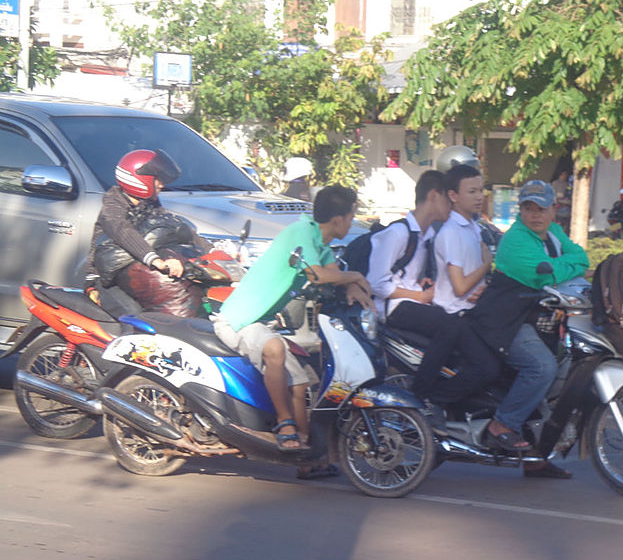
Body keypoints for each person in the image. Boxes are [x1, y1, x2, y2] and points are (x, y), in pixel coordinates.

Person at [212, 186, 373, 463]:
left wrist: (355, 288)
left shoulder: (320, 245)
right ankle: (285, 425)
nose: (352, 221)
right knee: (275, 349)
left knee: (300, 382)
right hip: (239, 320)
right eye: (351, 215)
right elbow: (318, 275)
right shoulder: (300, 233)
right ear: (337, 220)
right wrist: (356, 275)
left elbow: (334, 273)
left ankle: (305, 454)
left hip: (261, 323)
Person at [467, 180, 589, 478]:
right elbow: (544, 275)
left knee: (561, 374)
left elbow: (582, 259)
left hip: (539, 320)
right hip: (507, 321)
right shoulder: (515, 240)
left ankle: (536, 457)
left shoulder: (554, 233)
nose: (535, 215)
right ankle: (503, 423)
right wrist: (561, 265)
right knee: (542, 368)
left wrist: (562, 264)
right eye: (528, 208)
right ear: (520, 210)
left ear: (553, 210)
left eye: (541, 209)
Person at [367, 170, 500, 419]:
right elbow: (376, 282)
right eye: (447, 200)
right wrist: (417, 296)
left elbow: (410, 271)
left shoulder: (427, 235)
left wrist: (422, 283)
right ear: (433, 196)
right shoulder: (397, 233)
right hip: (395, 308)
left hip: (415, 300)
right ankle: (422, 396)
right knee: (450, 326)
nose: (451, 206)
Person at [86, 149, 211, 318]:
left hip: (136, 274)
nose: (161, 184)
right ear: (139, 179)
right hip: (106, 281)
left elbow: (173, 228)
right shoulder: (113, 207)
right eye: (157, 179)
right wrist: (154, 258)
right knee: (136, 319)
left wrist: (213, 251)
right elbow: (124, 232)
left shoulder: (150, 204)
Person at [432, 163, 494, 314]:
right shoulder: (451, 232)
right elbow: (460, 288)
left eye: (481, 190)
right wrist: (487, 264)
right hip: (453, 312)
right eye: (472, 192)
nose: (479, 197)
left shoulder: (473, 226)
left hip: (472, 308)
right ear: (453, 196)